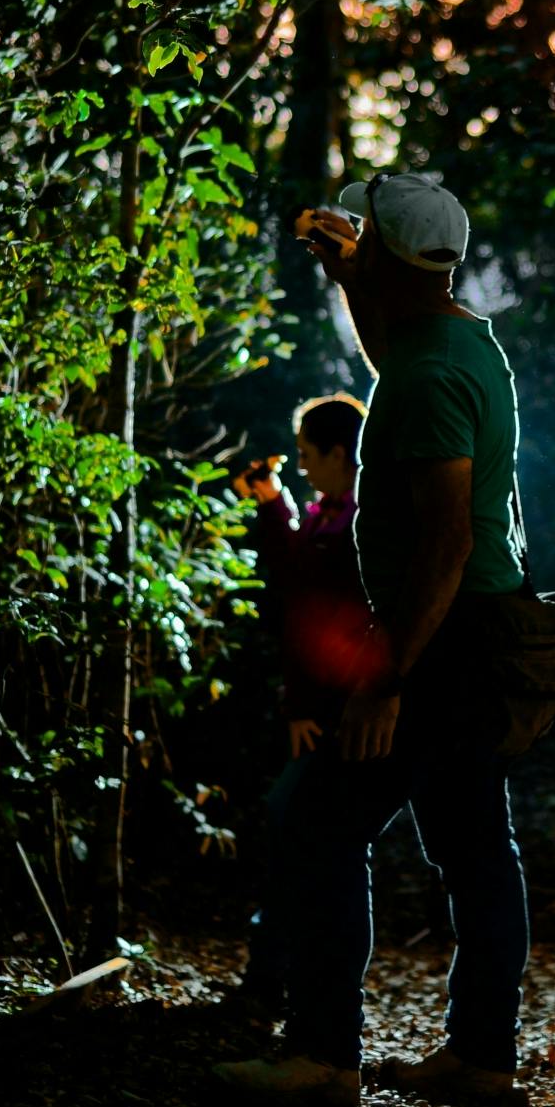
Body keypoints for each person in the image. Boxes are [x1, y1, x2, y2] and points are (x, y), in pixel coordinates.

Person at [213, 172, 531, 1107]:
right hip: (473, 629)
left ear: (398, 256)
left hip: (437, 636)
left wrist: (387, 678)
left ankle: (322, 1054)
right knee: (478, 849)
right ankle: (481, 1055)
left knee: (312, 818)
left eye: (370, 243)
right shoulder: (460, 339)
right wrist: (353, 278)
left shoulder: (431, 376)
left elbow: (446, 540)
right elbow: (396, 347)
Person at [230, 393, 370, 1012]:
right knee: (298, 832)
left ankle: (283, 985)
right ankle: (275, 979)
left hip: (339, 710)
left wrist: (306, 709)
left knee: (304, 830)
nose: (302, 466)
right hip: (320, 706)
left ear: (339, 453)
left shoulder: (359, 524)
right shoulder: (327, 515)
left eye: (307, 455)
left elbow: (315, 610)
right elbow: (295, 579)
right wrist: (273, 505)